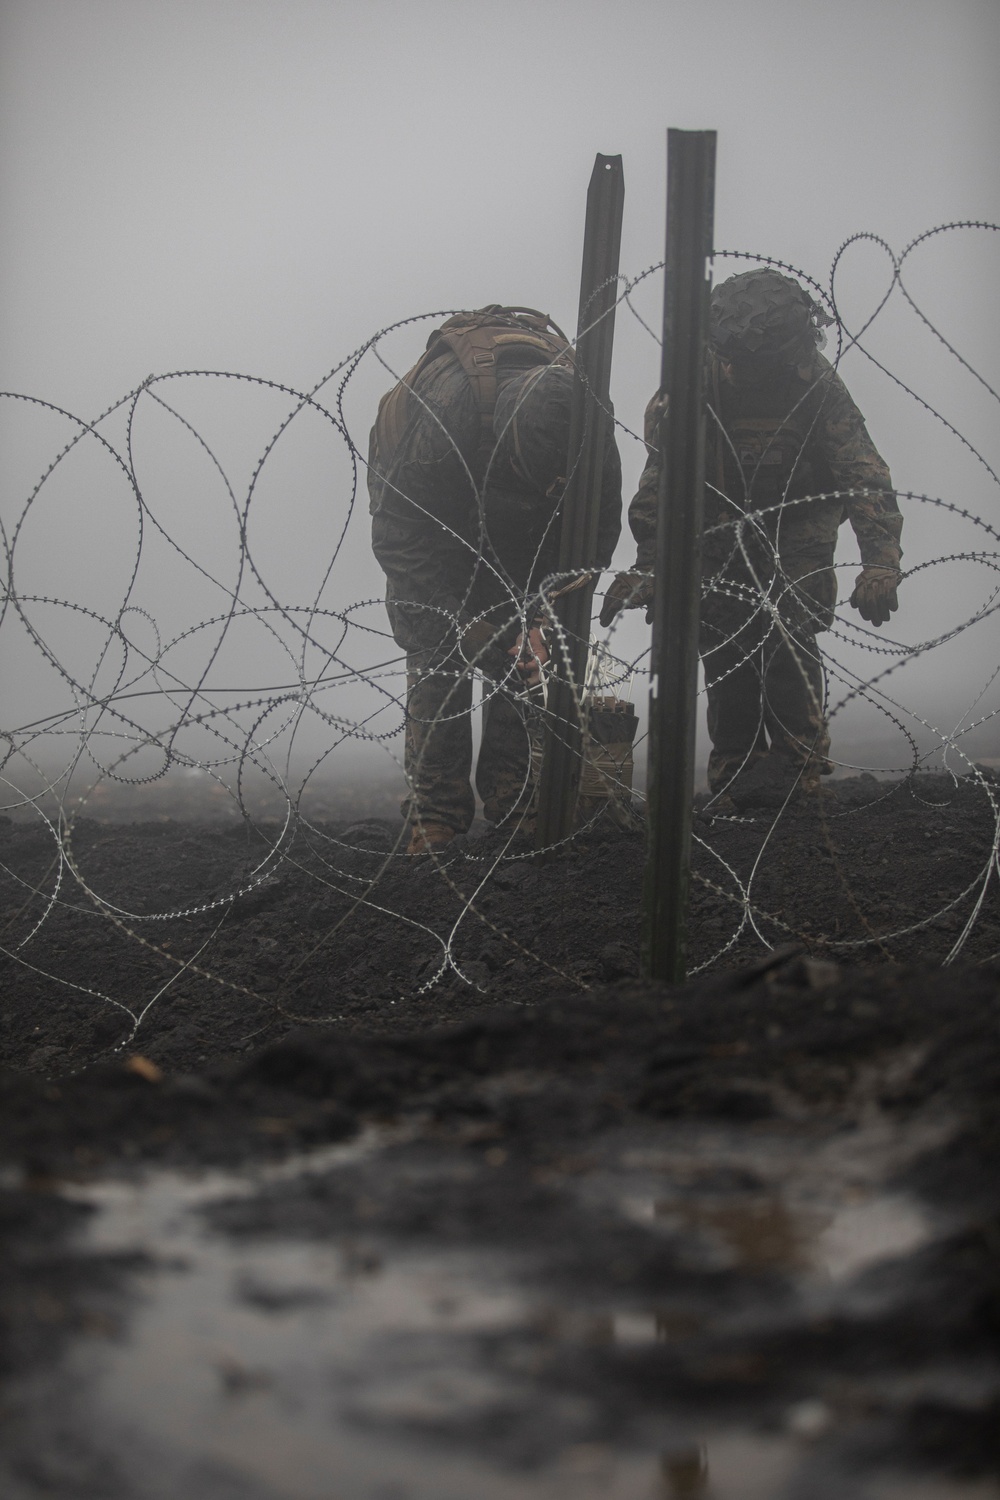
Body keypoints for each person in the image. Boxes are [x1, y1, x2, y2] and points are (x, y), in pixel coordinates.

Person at [601, 268, 903, 805]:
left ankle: (798, 766)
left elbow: (863, 476)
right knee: (721, 633)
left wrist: (879, 559)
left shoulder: (817, 388)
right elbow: (661, 479)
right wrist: (651, 561)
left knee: (790, 623)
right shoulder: (693, 386)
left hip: (799, 516)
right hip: (719, 516)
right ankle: (739, 769)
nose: (738, 374)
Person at [368, 305, 622, 852]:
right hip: (434, 528)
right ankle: (434, 817)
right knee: (439, 668)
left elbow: (599, 527)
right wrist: (457, 625)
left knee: (520, 661)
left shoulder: (589, 422)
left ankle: (516, 806)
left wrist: (545, 615)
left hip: (527, 533)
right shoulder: (439, 426)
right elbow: (400, 538)